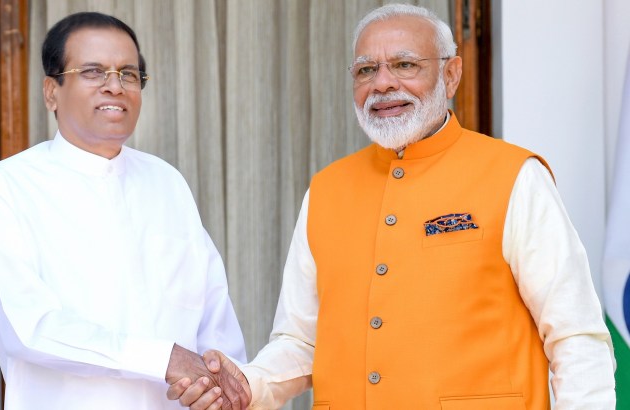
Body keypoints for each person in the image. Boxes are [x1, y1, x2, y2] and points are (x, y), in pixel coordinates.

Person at [168, 3, 616, 409]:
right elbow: (302, 340)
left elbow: (576, 336)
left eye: (405, 64)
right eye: (366, 70)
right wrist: (249, 383)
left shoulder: (514, 176)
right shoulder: (327, 189)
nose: (382, 83)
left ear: (452, 74)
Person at [0, 12, 250, 410]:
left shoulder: (167, 183)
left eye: (129, 74)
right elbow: (28, 328)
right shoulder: (5, 188)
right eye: (93, 71)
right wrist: (163, 357)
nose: (115, 87)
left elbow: (214, 319)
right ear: (51, 92)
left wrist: (220, 380)